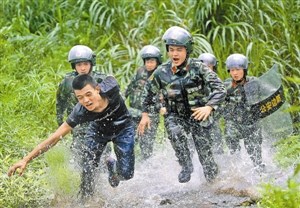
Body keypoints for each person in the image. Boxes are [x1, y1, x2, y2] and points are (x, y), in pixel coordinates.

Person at [8, 74, 135, 200]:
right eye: (80, 97)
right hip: (98, 131)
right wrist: (26, 159)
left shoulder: (111, 87)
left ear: (97, 89)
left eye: (88, 94)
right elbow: (55, 137)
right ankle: (86, 200)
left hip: (123, 127)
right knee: (88, 166)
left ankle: (112, 167)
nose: (86, 101)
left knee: (126, 174)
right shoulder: (80, 111)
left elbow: (111, 78)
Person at [137, 26, 226, 183]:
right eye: (171, 50)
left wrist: (209, 106)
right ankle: (186, 165)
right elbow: (147, 94)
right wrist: (144, 114)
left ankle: (214, 184)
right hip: (175, 115)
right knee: (174, 131)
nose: (175, 54)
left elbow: (220, 88)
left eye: (179, 49)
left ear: (187, 50)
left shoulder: (199, 68)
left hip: (199, 115)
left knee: (206, 159)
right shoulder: (161, 72)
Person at [56, 45, 110, 165]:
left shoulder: (101, 79)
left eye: (85, 64)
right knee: (79, 160)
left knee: (103, 159)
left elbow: (115, 101)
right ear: (74, 66)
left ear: (91, 63)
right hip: (79, 127)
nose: (83, 68)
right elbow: (60, 102)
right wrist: (60, 122)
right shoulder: (67, 82)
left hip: (100, 125)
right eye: (79, 65)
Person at [222, 53, 265, 172]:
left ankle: (260, 172)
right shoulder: (226, 85)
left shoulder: (254, 82)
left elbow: (267, 95)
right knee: (231, 142)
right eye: (232, 70)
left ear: (244, 70)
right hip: (233, 122)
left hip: (251, 122)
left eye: (238, 70)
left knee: (255, 152)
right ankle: (236, 172)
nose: (235, 73)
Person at [124, 45, 163, 160]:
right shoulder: (140, 72)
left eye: (152, 61)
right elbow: (129, 87)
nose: (149, 64)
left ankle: (147, 166)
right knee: (129, 140)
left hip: (151, 115)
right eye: (147, 61)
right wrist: (120, 99)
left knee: (146, 144)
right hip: (134, 112)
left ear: (157, 62)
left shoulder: (161, 75)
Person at [199, 53, 224, 154]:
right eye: (203, 67)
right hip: (197, 120)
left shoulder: (217, 83)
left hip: (213, 120)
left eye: (209, 67)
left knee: (217, 147)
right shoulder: (193, 82)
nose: (206, 69)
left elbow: (221, 99)